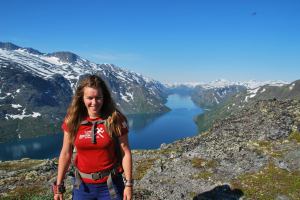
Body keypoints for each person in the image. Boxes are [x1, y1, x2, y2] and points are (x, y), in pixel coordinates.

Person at [53, 74, 133, 200]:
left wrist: (129, 184)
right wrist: (59, 186)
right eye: (89, 98)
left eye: (98, 98)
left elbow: (125, 152)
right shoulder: (73, 120)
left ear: (104, 98)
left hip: (111, 186)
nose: (94, 102)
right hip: (83, 187)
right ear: (82, 98)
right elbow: (66, 153)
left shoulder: (115, 119)